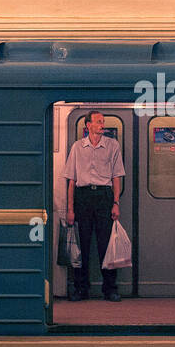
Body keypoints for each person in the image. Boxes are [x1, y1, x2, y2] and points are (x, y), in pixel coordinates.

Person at [63, 111, 125, 301]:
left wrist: (115, 203)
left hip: (104, 197)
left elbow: (116, 177)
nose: (102, 124)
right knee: (82, 245)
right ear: (88, 125)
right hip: (83, 196)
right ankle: (81, 288)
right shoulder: (77, 147)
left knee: (106, 245)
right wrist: (70, 209)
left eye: (103, 122)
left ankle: (110, 288)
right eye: (98, 122)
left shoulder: (112, 146)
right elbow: (71, 181)